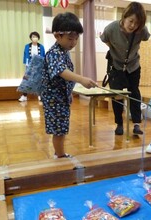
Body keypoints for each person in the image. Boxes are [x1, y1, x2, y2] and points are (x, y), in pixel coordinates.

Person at [41, 12, 97, 158]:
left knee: (62, 127)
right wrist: (81, 79)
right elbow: (61, 71)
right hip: (54, 100)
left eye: (76, 39)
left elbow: (64, 77)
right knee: (59, 129)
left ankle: (59, 153)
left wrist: (70, 92)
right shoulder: (54, 53)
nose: (73, 42)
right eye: (70, 38)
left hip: (61, 98)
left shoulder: (63, 51)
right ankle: (59, 156)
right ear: (57, 36)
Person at [100, 1, 151, 135]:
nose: (133, 25)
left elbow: (146, 37)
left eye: (137, 23)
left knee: (134, 93)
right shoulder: (111, 28)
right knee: (117, 95)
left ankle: (136, 124)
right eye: (131, 21)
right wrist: (113, 48)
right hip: (116, 66)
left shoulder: (142, 30)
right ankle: (119, 124)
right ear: (124, 16)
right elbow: (104, 38)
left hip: (133, 66)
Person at [19, 31, 45, 102]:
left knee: (39, 80)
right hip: (30, 65)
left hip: (39, 65)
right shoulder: (27, 46)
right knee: (26, 80)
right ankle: (24, 96)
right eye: (33, 37)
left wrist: (43, 65)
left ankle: (40, 96)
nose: (35, 38)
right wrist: (26, 64)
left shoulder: (41, 47)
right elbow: (25, 55)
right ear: (31, 38)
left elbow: (43, 56)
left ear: (38, 38)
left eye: (36, 37)